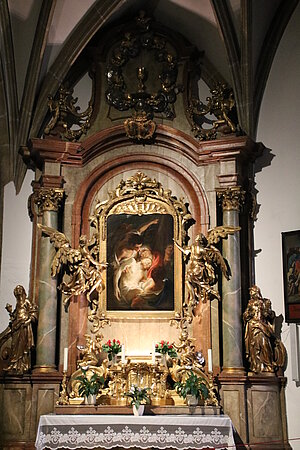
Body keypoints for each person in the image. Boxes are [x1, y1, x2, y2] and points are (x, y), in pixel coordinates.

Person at [4, 285, 38, 374]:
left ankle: (22, 365)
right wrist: (10, 312)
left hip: (24, 326)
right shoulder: (17, 304)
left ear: (23, 291)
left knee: (23, 346)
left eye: (20, 289)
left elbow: (33, 314)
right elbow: (15, 316)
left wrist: (28, 320)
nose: (18, 291)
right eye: (17, 290)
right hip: (17, 327)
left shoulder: (26, 301)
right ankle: (14, 365)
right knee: (14, 345)